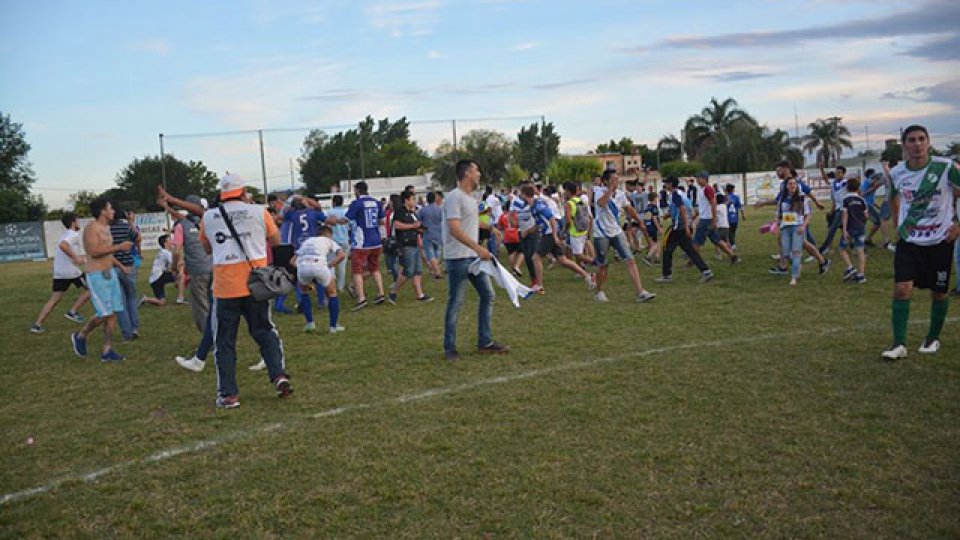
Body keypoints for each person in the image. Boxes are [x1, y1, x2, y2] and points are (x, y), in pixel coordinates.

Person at [199, 173, 292, 408]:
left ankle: (229, 394)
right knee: (265, 331)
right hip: (256, 284)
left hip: (225, 287)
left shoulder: (209, 216)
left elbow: (207, 246)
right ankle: (278, 374)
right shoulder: (259, 211)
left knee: (225, 342)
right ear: (242, 192)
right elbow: (276, 239)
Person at [880, 125, 960, 360]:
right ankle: (899, 344)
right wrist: (898, 225)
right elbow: (893, 197)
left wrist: (958, 226)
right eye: (912, 140)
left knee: (939, 293)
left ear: (928, 142)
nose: (917, 144)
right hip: (910, 241)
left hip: (940, 240)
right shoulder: (897, 173)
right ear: (904, 145)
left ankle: (932, 338)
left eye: (921, 139)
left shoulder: (945, 167)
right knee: (902, 289)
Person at [442, 159, 508, 361]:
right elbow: (454, 229)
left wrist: (490, 227)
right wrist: (479, 248)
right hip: (459, 259)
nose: (479, 174)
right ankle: (450, 348)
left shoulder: (470, 199)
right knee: (456, 302)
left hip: (472, 258)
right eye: (477, 170)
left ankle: (485, 342)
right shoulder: (454, 197)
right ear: (467, 173)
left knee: (488, 295)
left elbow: (470, 221)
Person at [157, 189, 215, 374]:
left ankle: (210, 344)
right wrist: (167, 207)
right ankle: (216, 339)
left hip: (197, 272)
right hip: (213, 269)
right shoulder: (208, 220)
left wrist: (174, 267)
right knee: (214, 307)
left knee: (201, 310)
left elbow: (176, 251)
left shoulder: (181, 226)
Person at [69, 198, 131, 362]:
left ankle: (107, 350)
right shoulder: (92, 228)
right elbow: (94, 251)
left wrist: (120, 265)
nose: (113, 211)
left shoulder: (106, 228)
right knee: (105, 313)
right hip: (96, 276)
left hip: (110, 273)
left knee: (113, 314)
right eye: (110, 208)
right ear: (103, 211)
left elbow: (107, 252)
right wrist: (119, 247)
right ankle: (81, 335)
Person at [591, 170, 656, 302]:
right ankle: (599, 291)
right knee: (603, 265)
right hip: (601, 233)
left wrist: (639, 221)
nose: (617, 181)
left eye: (617, 179)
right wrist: (610, 190)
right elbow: (601, 203)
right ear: (606, 181)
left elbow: (628, 208)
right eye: (614, 179)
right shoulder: (599, 191)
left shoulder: (620, 195)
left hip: (617, 231)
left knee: (630, 259)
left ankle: (640, 292)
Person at [520, 184, 594, 293]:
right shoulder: (533, 206)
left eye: (521, 195)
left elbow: (552, 219)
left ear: (524, 195)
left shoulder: (538, 205)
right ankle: (588, 276)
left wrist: (555, 236)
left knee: (535, 257)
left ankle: (539, 285)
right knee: (563, 260)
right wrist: (529, 231)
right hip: (549, 232)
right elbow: (540, 222)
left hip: (549, 233)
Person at [31, 212, 90, 334]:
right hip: (71, 272)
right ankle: (72, 311)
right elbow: (63, 245)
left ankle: (37, 325)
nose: (79, 223)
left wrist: (80, 257)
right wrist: (76, 258)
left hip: (59, 272)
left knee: (54, 299)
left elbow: (65, 246)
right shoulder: (73, 234)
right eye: (78, 220)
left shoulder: (65, 234)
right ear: (73, 222)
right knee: (92, 288)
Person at [656, 176, 713, 283]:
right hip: (683, 225)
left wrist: (686, 226)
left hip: (678, 227)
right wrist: (668, 215)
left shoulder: (675, 194)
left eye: (667, 183)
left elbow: (682, 208)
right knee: (690, 250)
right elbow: (685, 208)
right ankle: (706, 271)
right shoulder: (681, 193)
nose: (665, 185)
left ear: (671, 184)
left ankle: (666, 275)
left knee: (666, 248)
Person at [292, 225, 346, 333]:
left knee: (304, 292)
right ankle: (333, 326)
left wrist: (304, 269)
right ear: (328, 234)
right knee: (332, 293)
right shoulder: (328, 240)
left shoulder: (307, 241)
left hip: (302, 266)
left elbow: (292, 261)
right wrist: (330, 265)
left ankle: (310, 323)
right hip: (319, 264)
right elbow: (341, 255)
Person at [345, 181, 387, 310]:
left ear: (357, 190)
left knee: (357, 270)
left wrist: (334, 221)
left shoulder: (356, 203)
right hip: (376, 240)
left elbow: (347, 219)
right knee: (374, 268)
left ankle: (361, 298)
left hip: (362, 242)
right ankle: (381, 293)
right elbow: (381, 220)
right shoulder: (376, 202)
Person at [390, 191, 433, 303]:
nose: (414, 201)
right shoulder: (400, 211)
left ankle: (420, 295)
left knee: (418, 270)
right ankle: (393, 292)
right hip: (405, 245)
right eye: (412, 199)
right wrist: (412, 226)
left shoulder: (413, 213)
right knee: (408, 271)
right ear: (406, 200)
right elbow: (397, 225)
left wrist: (419, 228)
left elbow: (416, 226)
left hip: (415, 243)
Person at [691, 171, 739, 264]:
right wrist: (696, 215)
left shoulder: (708, 189)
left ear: (704, 179)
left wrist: (714, 220)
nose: (697, 180)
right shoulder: (702, 189)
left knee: (697, 241)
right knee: (717, 240)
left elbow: (713, 203)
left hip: (706, 220)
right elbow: (704, 205)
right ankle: (733, 256)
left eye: (698, 178)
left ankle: (693, 260)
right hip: (706, 218)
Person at [109, 205, 141, 340]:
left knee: (121, 301)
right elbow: (137, 238)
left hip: (114, 266)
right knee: (132, 298)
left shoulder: (106, 229)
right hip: (129, 265)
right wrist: (130, 222)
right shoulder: (125, 226)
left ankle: (126, 333)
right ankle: (135, 328)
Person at [777, 178, 813, 286]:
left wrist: (803, 226)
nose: (792, 185)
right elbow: (779, 214)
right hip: (785, 228)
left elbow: (808, 215)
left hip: (797, 227)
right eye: (790, 184)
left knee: (796, 252)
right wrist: (775, 224)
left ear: (797, 186)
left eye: (794, 183)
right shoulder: (782, 199)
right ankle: (797, 266)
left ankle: (794, 277)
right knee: (786, 253)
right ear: (786, 186)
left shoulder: (803, 199)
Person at [839, 177, 869, 284]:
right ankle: (861, 275)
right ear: (858, 188)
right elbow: (866, 215)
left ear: (847, 188)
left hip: (850, 228)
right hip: (860, 228)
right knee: (860, 250)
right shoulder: (862, 200)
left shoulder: (846, 199)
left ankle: (850, 267)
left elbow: (845, 214)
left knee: (842, 248)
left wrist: (844, 229)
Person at [139, 234, 177, 306]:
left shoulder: (162, 252)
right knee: (180, 276)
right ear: (165, 243)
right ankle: (180, 298)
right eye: (170, 240)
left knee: (161, 302)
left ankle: (145, 299)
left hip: (154, 280)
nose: (172, 242)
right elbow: (175, 265)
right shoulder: (166, 253)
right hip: (159, 276)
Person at [818, 165, 848, 255]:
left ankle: (822, 249)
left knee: (833, 229)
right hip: (837, 209)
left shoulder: (845, 183)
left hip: (844, 209)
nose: (837, 174)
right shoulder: (833, 182)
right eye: (836, 172)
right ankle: (851, 246)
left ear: (843, 174)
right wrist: (822, 169)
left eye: (839, 173)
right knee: (838, 228)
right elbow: (825, 179)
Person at [325, 195, 351, 292]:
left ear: (334, 202)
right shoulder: (346, 212)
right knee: (342, 265)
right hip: (344, 240)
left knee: (330, 262)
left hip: (332, 240)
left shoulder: (329, 212)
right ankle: (341, 286)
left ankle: (331, 281)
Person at [417, 191, 444, 279]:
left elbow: (418, 221)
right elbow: (442, 221)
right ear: (435, 199)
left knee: (430, 255)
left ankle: (437, 272)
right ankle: (436, 271)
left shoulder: (423, 210)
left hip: (427, 234)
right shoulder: (440, 209)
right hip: (438, 234)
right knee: (437, 255)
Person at [724, 184, 745, 249]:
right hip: (735, 218)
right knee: (732, 232)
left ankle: (732, 244)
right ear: (732, 190)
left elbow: (722, 206)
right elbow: (740, 207)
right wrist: (743, 215)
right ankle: (732, 244)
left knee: (730, 232)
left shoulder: (725, 197)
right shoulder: (736, 197)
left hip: (728, 218)